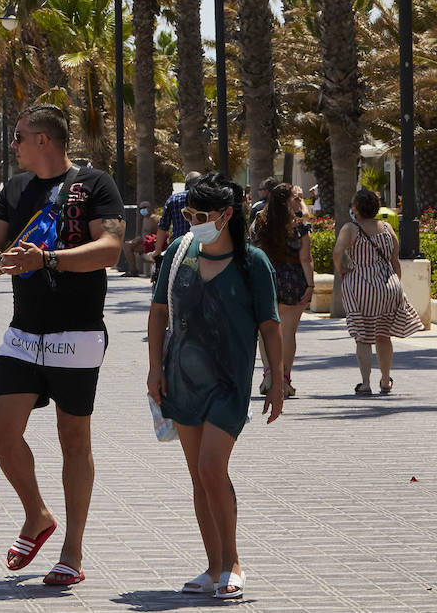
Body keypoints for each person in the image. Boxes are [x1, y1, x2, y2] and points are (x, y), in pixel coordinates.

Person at [0, 104, 125, 589]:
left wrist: (48, 260)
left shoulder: (96, 185)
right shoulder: (16, 189)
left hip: (76, 336)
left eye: (18, 136)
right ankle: (37, 514)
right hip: (23, 333)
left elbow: (109, 249)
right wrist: (0, 264)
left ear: (44, 139)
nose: (12, 144)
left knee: (73, 440)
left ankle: (72, 550)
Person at [148, 173, 282, 600]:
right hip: (181, 381)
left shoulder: (252, 263)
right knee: (198, 477)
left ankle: (233, 562)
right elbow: (157, 313)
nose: (192, 222)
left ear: (226, 215)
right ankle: (212, 566)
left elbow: (270, 326)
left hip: (229, 384)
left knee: (211, 468)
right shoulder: (178, 252)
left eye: (201, 215)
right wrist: (154, 369)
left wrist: (277, 380)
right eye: (188, 214)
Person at [333, 188, 423, 391]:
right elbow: (394, 260)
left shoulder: (350, 228)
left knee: (363, 337)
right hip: (388, 285)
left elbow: (338, 251)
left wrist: (342, 271)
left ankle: (365, 383)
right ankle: (385, 379)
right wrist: (395, 283)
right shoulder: (386, 228)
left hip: (362, 285)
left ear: (356, 208)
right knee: (384, 335)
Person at [249, 184, 314, 397]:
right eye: (295, 198)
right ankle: (284, 379)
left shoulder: (260, 222)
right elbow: (306, 259)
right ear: (287, 202)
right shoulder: (300, 226)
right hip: (293, 280)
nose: (298, 202)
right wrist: (311, 285)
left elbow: (252, 249)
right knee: (288, 332)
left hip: (265, 277)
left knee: (264, 330)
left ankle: (269, 374)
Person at [153, 171, 202, 277]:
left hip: (179, 246)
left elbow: (163, 227)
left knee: (169, 275)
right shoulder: (204, 199)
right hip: (201, 245)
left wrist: (157, 250)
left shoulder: (173, 199)